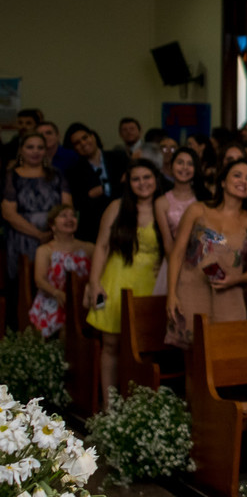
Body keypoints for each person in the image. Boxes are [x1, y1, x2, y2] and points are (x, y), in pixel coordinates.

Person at [86, 160, 163, 408]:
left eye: (147, 177)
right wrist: (94, 282)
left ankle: (139, 405)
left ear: (156, 179)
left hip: (150, 283)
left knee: (144, 349)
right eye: (136, 179)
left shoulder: (163, 207)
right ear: (128, 183)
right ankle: (110, 405)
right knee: (111, 344)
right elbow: (101, 245)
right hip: (116, 278)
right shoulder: (117, 207)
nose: (143, 183)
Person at [164, 158, 247, 348]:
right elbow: (177, 254)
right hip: (190, 289)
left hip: (229, 294)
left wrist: (234, 280)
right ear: (223, 182)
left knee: (228, 352)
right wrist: (171, 295)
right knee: (193, 358)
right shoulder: (197, 210)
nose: (244, 181)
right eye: (237, 175)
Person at [2, 131, 72, 281]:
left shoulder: (57, 175)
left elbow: (67, 207)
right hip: (21, 239)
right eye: (30, 147)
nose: (35, 151)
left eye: (40, 148)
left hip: (54, 236)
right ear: (21, 150)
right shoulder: (11, 176)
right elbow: (8, 213)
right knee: (23, 283)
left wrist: (52, 232)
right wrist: (39, 235)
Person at [29, 204, 93, 337]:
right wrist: (57, 293)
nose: (70, 219)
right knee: (64, 323)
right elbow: (39, 280)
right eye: (64, 216)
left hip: (84, 300)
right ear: (53, 225)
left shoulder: (89, 248)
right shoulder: (44, 250)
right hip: (54, 298)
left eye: (73, 216)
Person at [151, 148, 207, 293]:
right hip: (174, 263)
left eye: (190, 164)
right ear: (171, 166)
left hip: (203, 263)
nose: (184, 167)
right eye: (180, 162)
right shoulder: (161, 202)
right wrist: (178, 270)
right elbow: (168, 243)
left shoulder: (205, 198)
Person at [65, 123, 128, 242]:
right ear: (74, 148)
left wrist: (102, 190)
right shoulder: (73, 172)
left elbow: (128, 185)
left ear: (93, 136)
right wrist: (116, 185)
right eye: (77, 143)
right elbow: (80, 201)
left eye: (85, 138)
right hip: (93, 229)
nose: (83, 144)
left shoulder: (119, 157)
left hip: (124, 221)